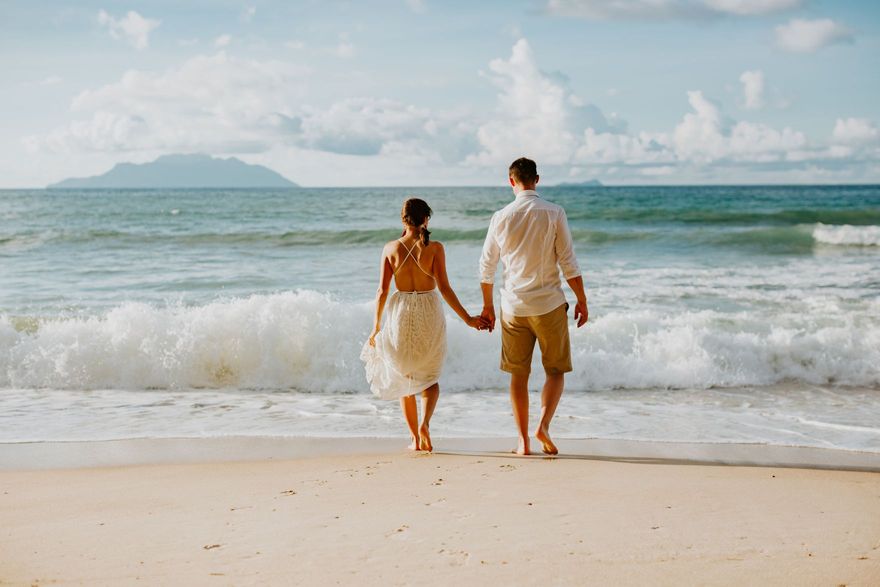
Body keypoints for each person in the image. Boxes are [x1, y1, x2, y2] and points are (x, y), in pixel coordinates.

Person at [478, 157, 589, 455]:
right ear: (537, 179)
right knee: (555, 371)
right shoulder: (554, 212)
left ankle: (523, 441)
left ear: (511, 181)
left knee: (519, 374)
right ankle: (543, 425)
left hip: (513, 307)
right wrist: (582, 299)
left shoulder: (500, 217)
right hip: (549, 304)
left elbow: (486, 267)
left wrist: (488, 307)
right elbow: (568, 260)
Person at [361, 198, 486, 452]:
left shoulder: (390, 248)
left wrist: (376, 326)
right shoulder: (436, 248)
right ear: (426, 219)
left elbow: (382, 291)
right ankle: (425, 424)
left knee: (403, 377)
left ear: (403, 219)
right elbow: (445, 288)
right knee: (430, 376)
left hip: (401, 313)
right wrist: (468, 319)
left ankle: (415, 440)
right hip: (429, 311)